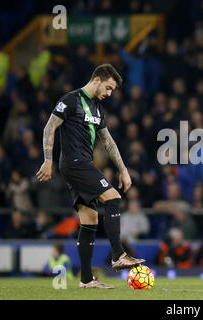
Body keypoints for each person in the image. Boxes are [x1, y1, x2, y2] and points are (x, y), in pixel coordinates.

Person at [36, 64, 145, 289]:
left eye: (112, 90)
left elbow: (108, 141)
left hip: (82, 164)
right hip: (75, 163)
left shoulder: (96, 108)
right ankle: (118, 255)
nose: (109, 93)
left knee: (90, 219)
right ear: (97, 80)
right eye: (108, 87)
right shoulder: (71, 100)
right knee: (113, 198)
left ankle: (86, 279)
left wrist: (123, 169)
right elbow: (49, 128)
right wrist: (48, 160)